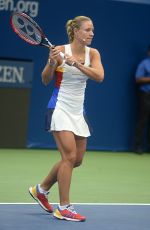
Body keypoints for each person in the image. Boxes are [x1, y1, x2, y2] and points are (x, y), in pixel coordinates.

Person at [29, 16, 104, 222]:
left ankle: (41, 189)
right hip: (59, 107)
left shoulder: (93, 53)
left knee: (76, 160)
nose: (91, 33)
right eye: (88, 30)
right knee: (69, 158)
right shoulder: (60, 50)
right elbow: (45, 80)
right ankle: (64, 207)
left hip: (78, 111)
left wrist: (77, 64)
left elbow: (99, 76)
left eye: (92, 30)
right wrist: (53, 62)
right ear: (76, 32)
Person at [134, 45, 150, 154]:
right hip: (146, 95)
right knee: (143, 120)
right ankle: (137, 146)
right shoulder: (144, 64)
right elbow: (138, 78)